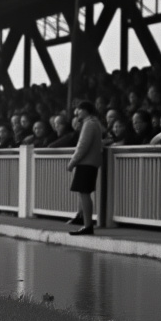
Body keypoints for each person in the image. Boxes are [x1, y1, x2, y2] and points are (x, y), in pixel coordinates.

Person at [67, 100, 103, 236]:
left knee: (84, 193)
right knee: (84, 193)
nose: (77, 112)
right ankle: (86, 223)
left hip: (86, 162)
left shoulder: (89, 124)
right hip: (91, 162)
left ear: (86, 110)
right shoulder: (95, 123)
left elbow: (83, 145)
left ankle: (87, 225)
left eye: (79, 110)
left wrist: (72, 162)